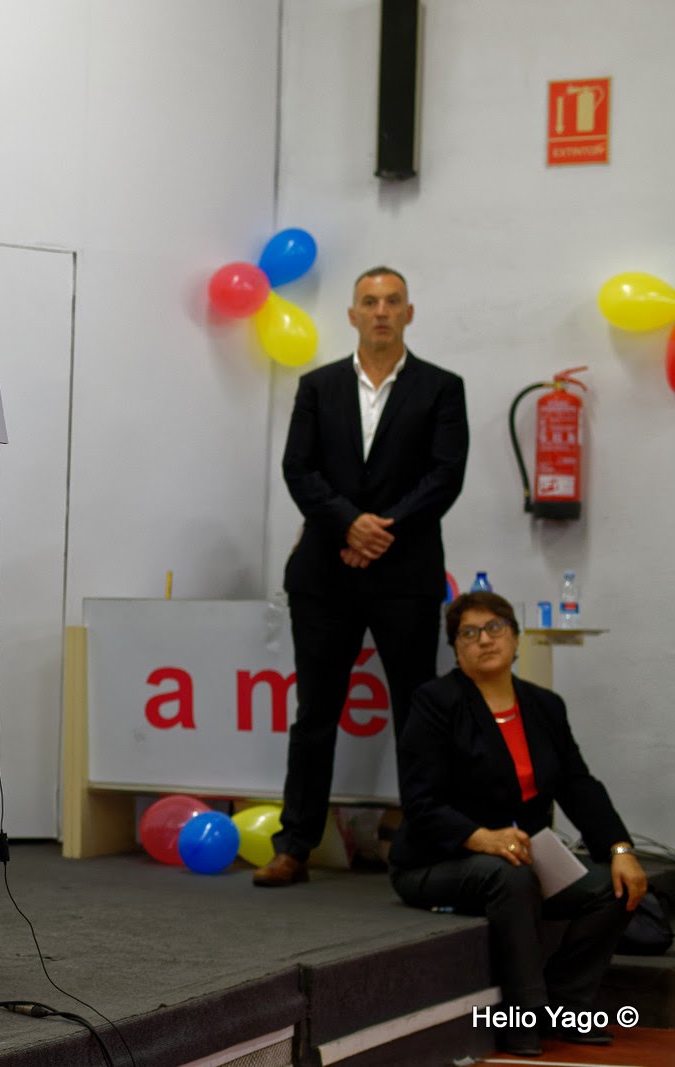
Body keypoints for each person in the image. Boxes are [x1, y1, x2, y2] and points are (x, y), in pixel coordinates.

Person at [254, 266, 468, 887]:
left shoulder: (441, 389)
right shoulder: (317, 387)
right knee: (315, 712)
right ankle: (294, 846)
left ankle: (423, 841)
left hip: (406, 574)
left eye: (392, 301)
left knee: (416, 712)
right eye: (369, 301)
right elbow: (299, 470)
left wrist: (379, 531)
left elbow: (444, 476)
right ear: (351, 315)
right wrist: (349, 525)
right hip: (325, 574)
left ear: (409, 312)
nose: (380, 311)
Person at [390, 592, 646, 1056]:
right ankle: (521, 1017)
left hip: (522, 855)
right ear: (456, 648)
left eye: (495, 628)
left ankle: (566, 1006)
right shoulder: (435, 702)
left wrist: (620, 849)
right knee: (511, 876)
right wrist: (482, 837)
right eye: (469, 633)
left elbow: (578, 785)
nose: (484, 640)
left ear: (515, 638)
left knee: (616, 886)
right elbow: (420, 802)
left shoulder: (545, 706)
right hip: (438, 860)